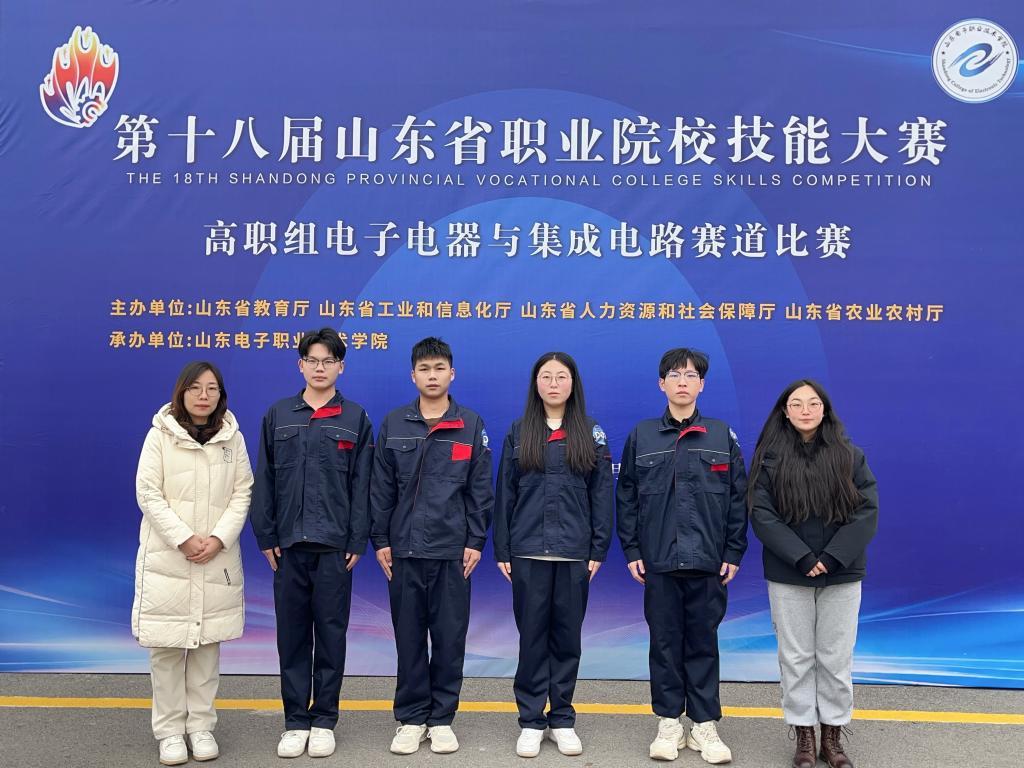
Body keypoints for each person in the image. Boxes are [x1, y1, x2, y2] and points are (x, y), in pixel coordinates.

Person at [616, 348, 747, 764]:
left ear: (701, 384)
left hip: (708, 561)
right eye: (675, 375)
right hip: (659, 560)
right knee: (664, 643)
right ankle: (669, 722)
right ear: (662, 384)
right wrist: (632, 549)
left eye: (691, 375)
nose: (683, 382)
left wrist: (733, 550)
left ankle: (704, 725)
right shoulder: (643, 435)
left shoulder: (721, 435)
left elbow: (738, 498)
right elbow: (627, 497)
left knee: (704, 644)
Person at [249, 328, 374, 759]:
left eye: (329, 361)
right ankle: (295, 721)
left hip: (334, 547)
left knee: (332, 635)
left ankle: (323, 720)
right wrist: (266, 535)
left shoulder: (355, 418)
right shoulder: (279, 414)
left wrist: (357, 537)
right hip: (288, 547)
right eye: (313, 361)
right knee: (292, 637)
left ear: (341, 366)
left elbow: (363, 484)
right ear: (300, 365)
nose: (320, 368)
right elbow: (264, 479)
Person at [370, 337, 494, 755]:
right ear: (413, 376)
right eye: (424, 369)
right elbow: (381, 488)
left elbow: (480, 489)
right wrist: (381, 539)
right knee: (408, 638)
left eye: (439, 368)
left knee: (449, 639)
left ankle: (441, 718)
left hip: (452, 552)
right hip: (403, 551)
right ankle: (410, 718)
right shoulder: (395, 423)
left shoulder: (470, 424)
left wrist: (475, 540)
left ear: (452, 373)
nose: (432, 375)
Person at [748, 380, 878, 768]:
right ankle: (804, 734)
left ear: (825, 410)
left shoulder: (850, 455)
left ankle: (832, 738)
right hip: (789, 573)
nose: (805, 410)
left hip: (842, 572)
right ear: (785, 412)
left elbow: (866, 510)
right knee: (796, 656)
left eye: (813, 403)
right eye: (797, 404)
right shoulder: (769, 459)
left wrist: (833, 557)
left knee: (836, 657)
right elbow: (761, 513)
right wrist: (801, 557)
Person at [493, 352, 614, 758]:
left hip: (574, 553)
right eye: (546, 376)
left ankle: (561, 719)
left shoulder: (590, 432)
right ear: (536, 384)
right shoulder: (519, 431)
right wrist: (503, 547)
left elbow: (602, 494)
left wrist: (598, 547)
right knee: (531, 640)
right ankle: (531, 720)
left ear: (573, 383)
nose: (554, 383)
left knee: (566, 640)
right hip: (527, 552)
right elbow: (505, 492)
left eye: (561, 376)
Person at [133, 361, 253, 766]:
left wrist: (218, 538)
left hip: (216, 557)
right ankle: (169, 731)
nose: (204, 395)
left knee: (206, 648)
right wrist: (183, 538)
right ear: (181, 392)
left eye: (212, 388)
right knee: (166, 650)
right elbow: (148, 493)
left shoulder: (232, 439)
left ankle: (201, 726)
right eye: (196, 388)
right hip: (169, 557)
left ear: (221, 395)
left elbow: (243, 492)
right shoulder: (160, 435)